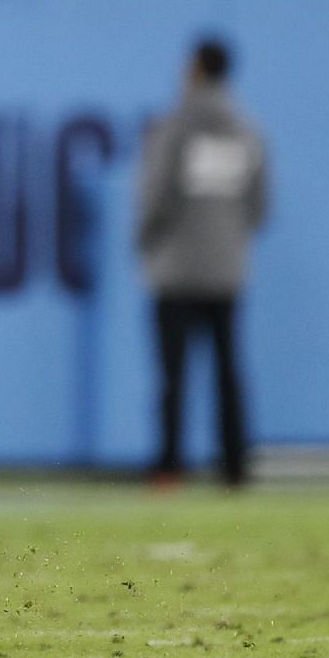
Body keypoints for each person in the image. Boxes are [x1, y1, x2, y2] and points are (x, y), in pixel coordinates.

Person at [137, 38, 268, 487]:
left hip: (176, 270)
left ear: (194, 69)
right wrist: (229, 238)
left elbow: (156, 197)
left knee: (173, 373)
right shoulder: (247, 131)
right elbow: (260, 204)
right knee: (228, 370)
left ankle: (170, 464)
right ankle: (235, 467)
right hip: (227, 269)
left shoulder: (174, 128)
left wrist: (145, 242)